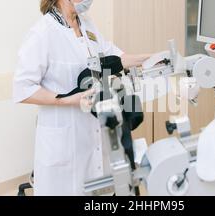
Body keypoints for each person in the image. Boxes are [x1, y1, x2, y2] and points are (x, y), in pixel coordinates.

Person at [13, 0, 150, 196]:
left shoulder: (87, 25)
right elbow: (22, 89)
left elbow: (115, 57)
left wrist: (153, 58)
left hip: (92, 132)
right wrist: (70, 100)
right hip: (64, 137)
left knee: (96, 191)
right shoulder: (42, 33)